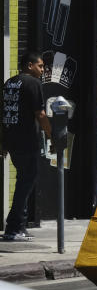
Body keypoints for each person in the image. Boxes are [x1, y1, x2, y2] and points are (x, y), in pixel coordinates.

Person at [1, 52, 52, 241]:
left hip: (12, 141)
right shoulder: (33, 84)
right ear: (29, 65)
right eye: (40, 66)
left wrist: (4, 142)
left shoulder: (9, 83)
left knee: (24, 181)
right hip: (26, 140)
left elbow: (6, 112)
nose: (43, 69)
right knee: (26, 182)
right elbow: (40, 114)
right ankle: (14, 228)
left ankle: (16, 226)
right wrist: (51, 135)